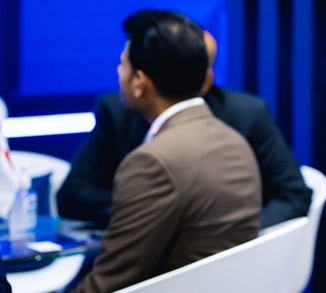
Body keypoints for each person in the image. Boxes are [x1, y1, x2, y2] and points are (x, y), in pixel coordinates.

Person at [57, 10, 261, 293]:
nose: (118, 72)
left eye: (123, 64)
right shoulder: (234, 141)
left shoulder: (152, 162)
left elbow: (107, 286)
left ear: (139, 82)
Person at [57, 30, 310, 230]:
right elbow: (72, 195)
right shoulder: (118, 111)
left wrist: (237, 236)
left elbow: (293, 194)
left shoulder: (247, 115)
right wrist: (154, 214)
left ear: (206, 79)